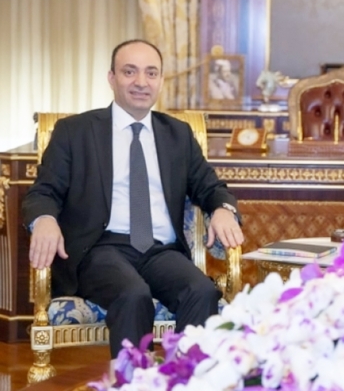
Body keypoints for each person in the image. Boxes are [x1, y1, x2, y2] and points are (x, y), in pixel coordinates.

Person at [22, 39, 245, 358]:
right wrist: (44, 219)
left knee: (202, 291)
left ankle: (186, 376)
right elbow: (43, 191)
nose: (141, 82)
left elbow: (211, 187)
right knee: (133, 293)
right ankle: (132, 379)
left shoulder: (178, 134)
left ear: (161, 81)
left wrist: (223, 209)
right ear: (111, 78)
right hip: (100, 249)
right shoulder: (75, 131)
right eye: (130, 72)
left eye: (151, 73)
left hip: (161, 251)